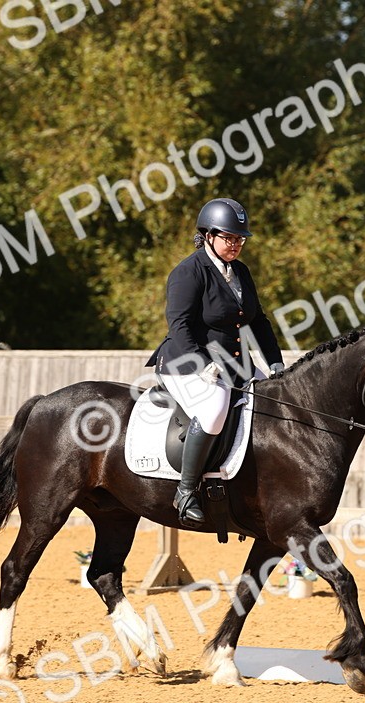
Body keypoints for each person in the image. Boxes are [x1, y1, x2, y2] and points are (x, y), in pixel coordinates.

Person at [146, 198, 285, 525]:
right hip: (186, 361)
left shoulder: (240, 272)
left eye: (240, 239)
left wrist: (276, 363)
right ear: (208, 235)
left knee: (274, 402)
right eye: (229, 238)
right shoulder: (188, 272)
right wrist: (201, 363)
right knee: (214, 408)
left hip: (236, 362)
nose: (236, 244)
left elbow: (259, 321)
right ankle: (186, 491)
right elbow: (178, 324)